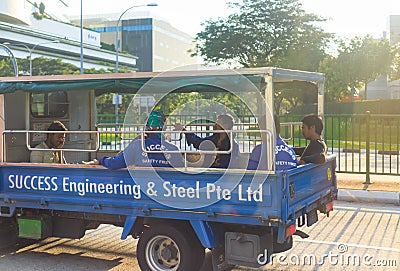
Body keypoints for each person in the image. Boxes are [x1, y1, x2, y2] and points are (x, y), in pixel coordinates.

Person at [86, 110, 184, 169]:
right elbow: (181, 169)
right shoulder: (173, 149)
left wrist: (101, 161)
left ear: (146, 127)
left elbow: (115, 163)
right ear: (164, 128)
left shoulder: (137, 146)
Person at [174, 114, 240, 168]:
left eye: (218, 123)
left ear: (225, 126)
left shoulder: (234, 145)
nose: (215, 125)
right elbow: (199, 142)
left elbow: (232, 163)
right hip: (208, 170)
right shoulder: (214, 138)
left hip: (222, 172)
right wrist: (184, 130)